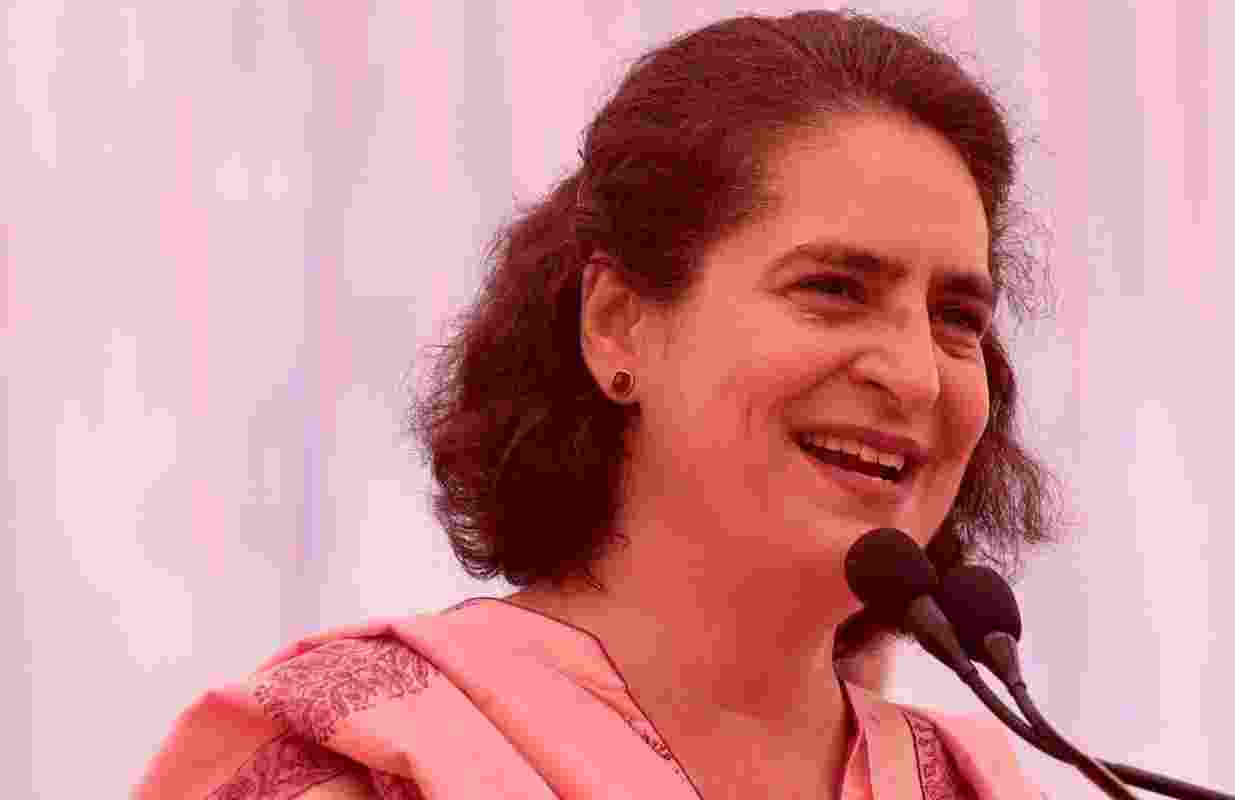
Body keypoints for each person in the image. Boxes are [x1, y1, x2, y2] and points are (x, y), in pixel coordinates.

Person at [133, 9, 1066, 799]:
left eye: (956, 316)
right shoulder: (373, 762)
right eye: (832, 288)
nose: (914, 375)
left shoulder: (978, 782)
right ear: (618, 325)